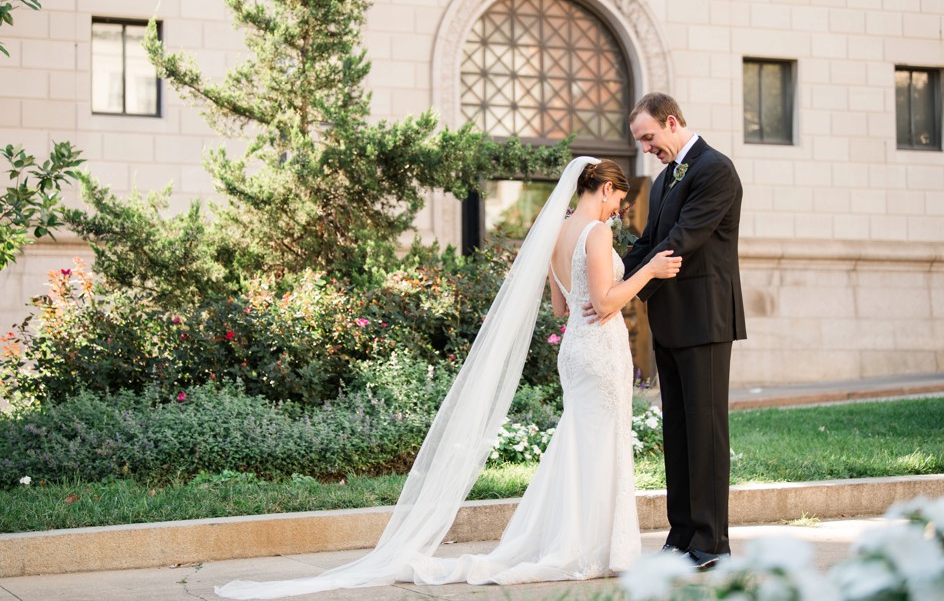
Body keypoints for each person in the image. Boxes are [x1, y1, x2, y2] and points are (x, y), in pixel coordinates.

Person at [215, 157, 681, 599]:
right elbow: (603, 303)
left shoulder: (558, 232)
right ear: (604, 189)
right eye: (618, 198)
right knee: (599, 442)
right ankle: (600, 546)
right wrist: (650, 270)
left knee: (581, 442)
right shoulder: (597, 231)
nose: (619, 208)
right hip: (600, 350)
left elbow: (562, 308)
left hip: (577, 351)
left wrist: (597, 295)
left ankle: (581, 541)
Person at [618, 92, 747, 571]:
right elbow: (650, 241)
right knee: (677, 431)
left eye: (649, 138)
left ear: (672, 123)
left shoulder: (715, 169)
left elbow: (681, 242)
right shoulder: (666, 177)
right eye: (641, 142)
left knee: (706, 432)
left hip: (706, 320)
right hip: (671, 321)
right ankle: (681, 537)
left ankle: (711, 543)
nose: (646, 149)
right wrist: (610, 276)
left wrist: (627, 286)